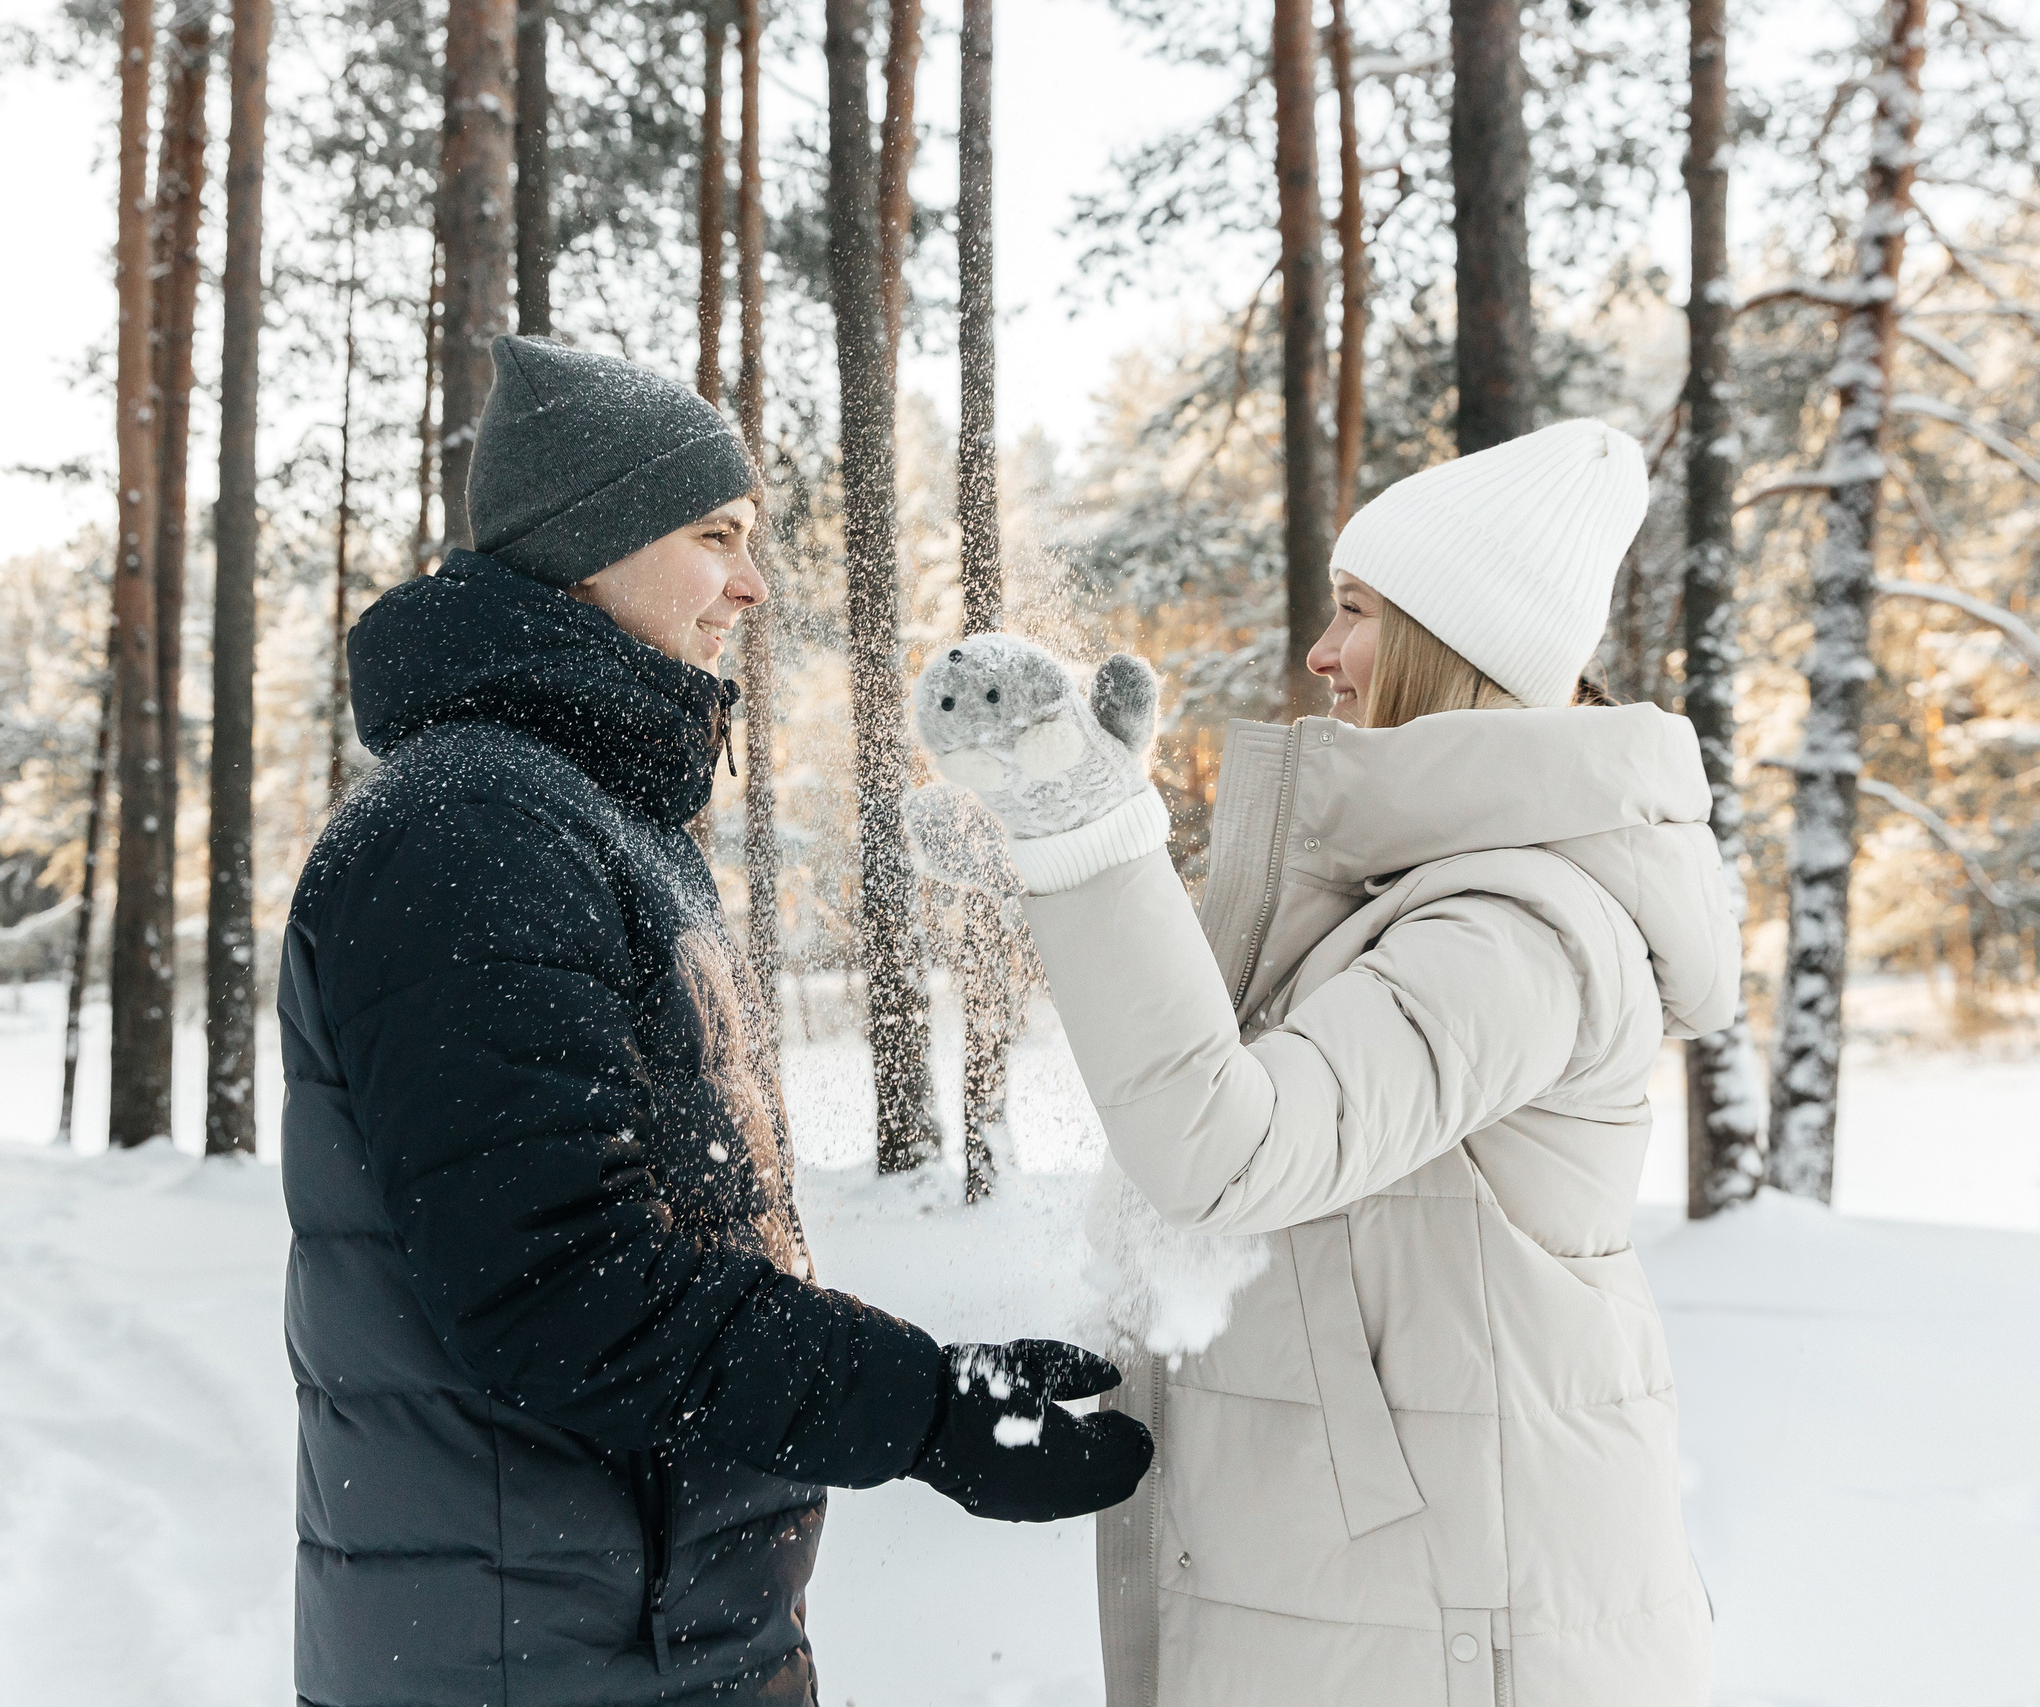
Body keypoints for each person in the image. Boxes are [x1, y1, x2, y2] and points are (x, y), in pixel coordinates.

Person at [276, 335, 1150, 1707]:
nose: (752, 581)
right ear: (590, 541)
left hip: (664, 1635)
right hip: (533, 1656)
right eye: (714, 533)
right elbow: (561, 1282)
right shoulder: (471, 833)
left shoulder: (592, 819)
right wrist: (917, 1404)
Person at [912, 419, 1736, 1705]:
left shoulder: (1516, 931)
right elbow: (1241, 1070)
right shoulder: (1423, 900)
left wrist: (1090, 838)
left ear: (1444, 642)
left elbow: (1224, 1151)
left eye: (1352, 612)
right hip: (1376, 1594)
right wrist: (1057, 872)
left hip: (1451, 1623)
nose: (1320, 650)